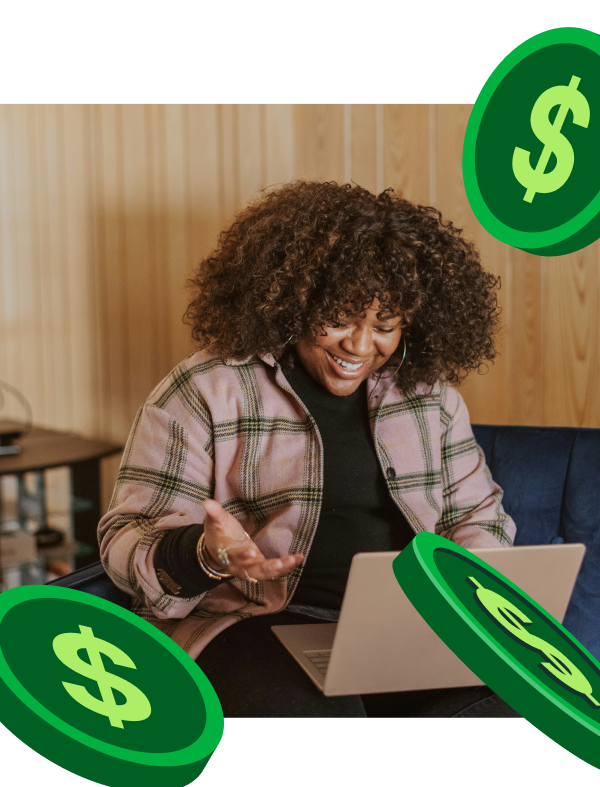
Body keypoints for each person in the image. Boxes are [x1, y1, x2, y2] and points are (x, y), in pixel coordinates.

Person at [98, 181, 519, 718]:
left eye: (384, 326)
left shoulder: (430, 397)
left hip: (406, 628)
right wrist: (205, 554)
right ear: (294, 302)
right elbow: (125, 538)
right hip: (258, 624)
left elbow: (477, 515)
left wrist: (470, 588)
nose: (361, 347)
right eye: (339, 319)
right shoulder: (206, 389)